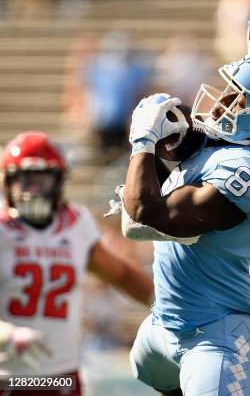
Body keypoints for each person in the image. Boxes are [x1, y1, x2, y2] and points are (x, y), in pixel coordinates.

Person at [122, 12, 250, 396]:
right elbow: (185, 140)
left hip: (218, 335)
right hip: (166, 322)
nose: (223, 101)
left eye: (239, 98)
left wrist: (141, 141)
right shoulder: (245, 143)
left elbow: (148, 212)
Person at [0, 132, 154, 395]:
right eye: (25, 180)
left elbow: (121, 274)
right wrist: (6, 334)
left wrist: (164, 303)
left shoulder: (76, 223)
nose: (33, 190)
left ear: (59, 181)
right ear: (8, 182)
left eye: (42, 181)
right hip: (8, 377)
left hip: (63, 374)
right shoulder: (3, 229)